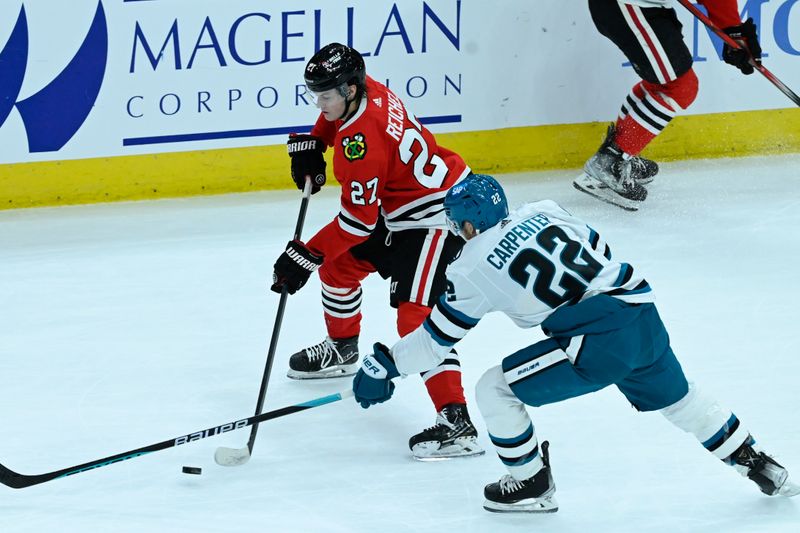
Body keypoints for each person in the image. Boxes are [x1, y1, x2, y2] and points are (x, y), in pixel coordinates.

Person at [351, 173, 798, 512]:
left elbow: (435, 341)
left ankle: (529, 484)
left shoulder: (470, 266)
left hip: (597, 338)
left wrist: (385, 365)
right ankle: (757, 462)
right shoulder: (543, 209)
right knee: (682, 401)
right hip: (641, 313)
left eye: (458, 226)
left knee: (494, 388)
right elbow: (598, 249)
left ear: (468, 224)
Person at [270, 43, 483, 460]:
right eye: (317, 95)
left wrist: (306, 255)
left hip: (439, 219)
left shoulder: (360, 146)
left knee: (415, 318)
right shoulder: (370, 92)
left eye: (326, 96)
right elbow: (339, 123)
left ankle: (457, 423)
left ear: (350, 89)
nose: (320, 103)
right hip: (401, 210)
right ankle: (343, 349)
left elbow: (357, 223)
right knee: (338, 270)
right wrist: (316, 142)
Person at [573, 0, 762, 210]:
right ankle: (610, 162)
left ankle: (619, 156)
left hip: (642, 6)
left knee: (664, 82)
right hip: (630, 5)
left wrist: (733, 31)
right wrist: (732, 29)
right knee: (680, 87)